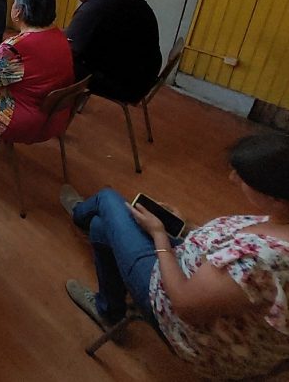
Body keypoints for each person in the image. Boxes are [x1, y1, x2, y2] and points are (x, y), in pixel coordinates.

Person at [61, 133, 289, 380]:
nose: (233, 178)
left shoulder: (262, 261)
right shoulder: (280, 223)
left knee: (107, 200)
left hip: (179, 315)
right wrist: (186, 227)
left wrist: (159, 234)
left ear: (276, 198)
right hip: (194, 271)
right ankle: (108, 308)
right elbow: (229, 249)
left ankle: (78, 213)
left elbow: (184, 305)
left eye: (244, 177)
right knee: (101, 227)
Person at [0, 0, 73, 147]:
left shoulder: (16, 48)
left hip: (23, 121)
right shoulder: (59, 35)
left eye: (14, 2)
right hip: (56, 116)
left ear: (19, 11)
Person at [63, 0, 161, 103]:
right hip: (144, 73)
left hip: (127, 85)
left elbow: (69, 49)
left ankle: (54, 109)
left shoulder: (95, 8)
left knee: (61, 62)